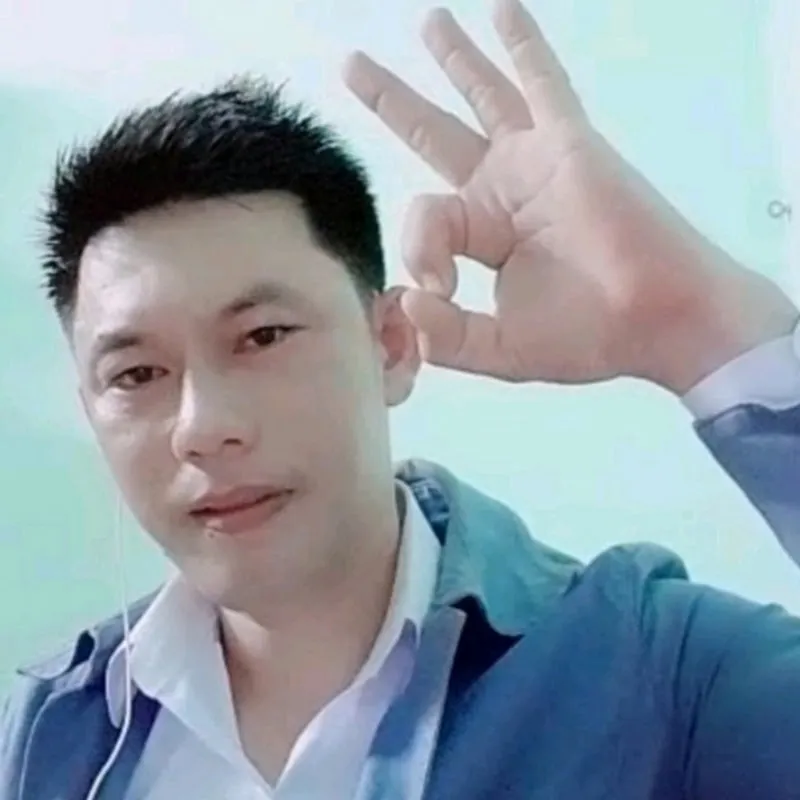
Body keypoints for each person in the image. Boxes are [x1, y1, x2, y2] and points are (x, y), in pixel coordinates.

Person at [2, 0, 800, 797]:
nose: (204, 427)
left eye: (263, 336)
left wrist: (710, 335)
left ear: (388, 343)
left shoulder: (652, 672)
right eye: (137, 375)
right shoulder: (45, 736)